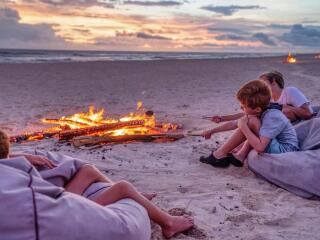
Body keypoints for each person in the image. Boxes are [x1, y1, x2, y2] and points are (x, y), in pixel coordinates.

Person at [0, 130, 193, 239]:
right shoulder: (16, 178)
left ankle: (138, 198)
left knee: (88, 171)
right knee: (123, 187)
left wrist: (20, 155)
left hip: (60, 208)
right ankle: (168, 222)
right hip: (69, 212)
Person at [200, 80, 299, 168]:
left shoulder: (272, 116)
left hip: (285, 150)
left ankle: (218, 155)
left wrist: (243, 127)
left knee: (251, 121)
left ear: (257, 109)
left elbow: (260, 148)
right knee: (249, 121)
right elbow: (234, 124)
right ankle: (239, 156)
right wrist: (211, 131)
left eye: (243, 106)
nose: (241, 108)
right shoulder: (262, 109)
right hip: (277, 143)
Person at [202, 71, 313, 139]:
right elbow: (245, 113)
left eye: (263, 83)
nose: (260, 86)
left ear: (273, 81)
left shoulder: (289, 91)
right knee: (248, 118)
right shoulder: (268, 99)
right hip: (276, 127)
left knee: (251, 121)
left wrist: (283, 107)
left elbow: (308, 113)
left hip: (291, 127)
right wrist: (222, 118)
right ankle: (213, 134)